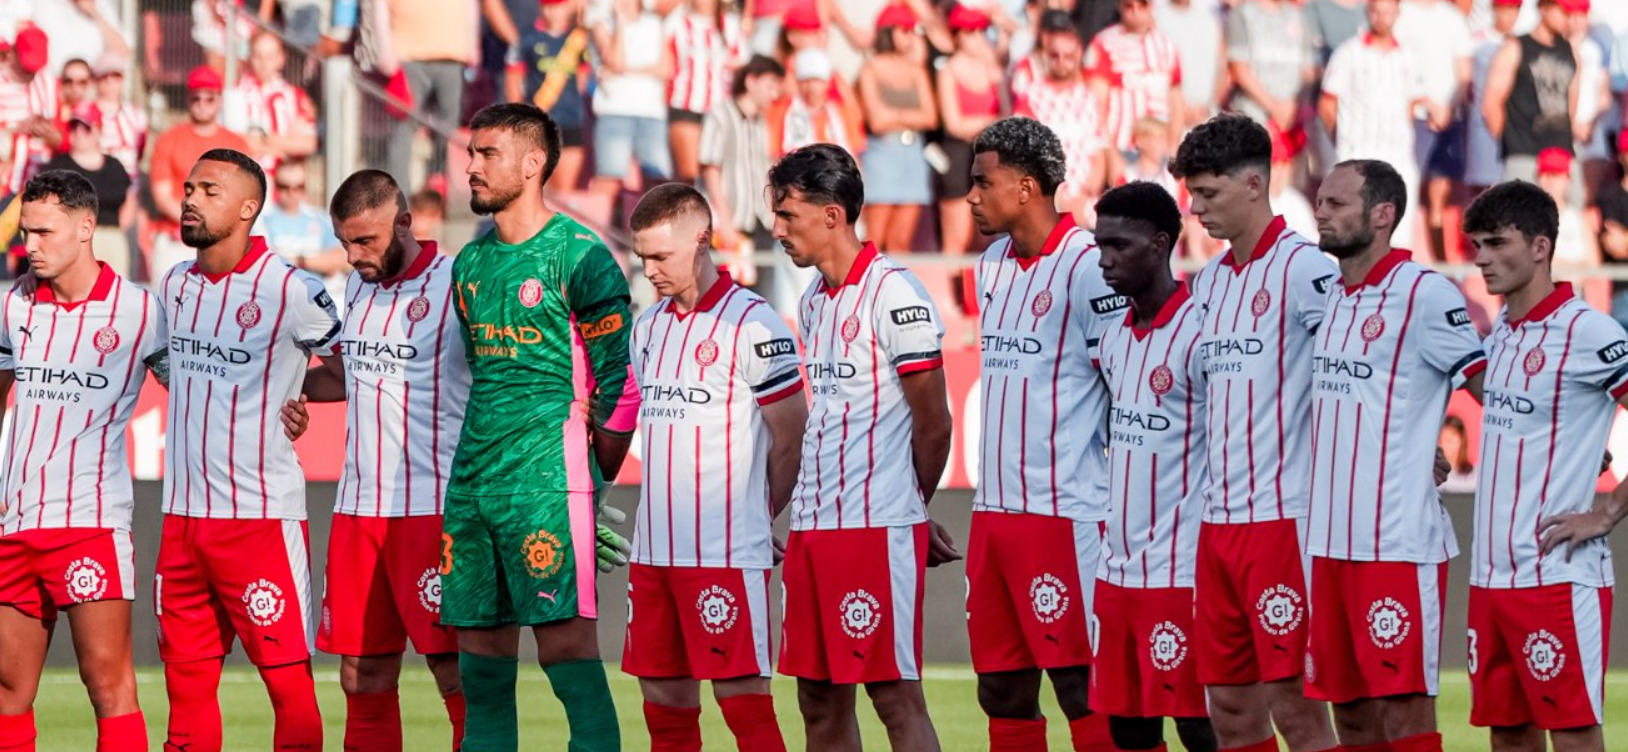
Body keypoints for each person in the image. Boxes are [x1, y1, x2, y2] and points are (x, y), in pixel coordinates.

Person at [445, 102, 637, 752]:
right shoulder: (469, 264)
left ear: (532, 164)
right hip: (473, 486)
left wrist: (594, 484)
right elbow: (482, 373)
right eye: (471, 154)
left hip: (547, 484)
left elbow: (621, 386)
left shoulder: (581, 256)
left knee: (566, 653)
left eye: (487, 154)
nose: (472, 167)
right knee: (479, 671)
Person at [153, 148, 340, 752]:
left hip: (258, 519)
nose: (190, 199)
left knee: (287, 685)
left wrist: (297, 392)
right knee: (185, 689)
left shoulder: (291, 288)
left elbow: (351, 369)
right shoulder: (174, 283)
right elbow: (166, 363)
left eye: (209, 191)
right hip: (182, 520)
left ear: (247, 208)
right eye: (189, 188)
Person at [771, 142, 955, 752]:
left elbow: (935, 423)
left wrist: (908, 507)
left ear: (831, 215)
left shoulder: (894, 293)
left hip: (874, 532)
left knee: (894, 697)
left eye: (788, 215)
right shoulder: (813, 300)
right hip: (813, 530)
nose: (777, 230)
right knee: (817, 699)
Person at [1304, 159, 1489, 752]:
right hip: (1326, 544)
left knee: (1404, 715)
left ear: (1382, 214)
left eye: (1336, 204)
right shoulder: (1328, 297)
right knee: (1351, 716)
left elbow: (1489, 389)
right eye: (1320, 202)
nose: (1321, 213)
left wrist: (1567, 438)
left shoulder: (1425, 294)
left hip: (1394, 544)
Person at [1171, 113, 1340, 752]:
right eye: (1191, 193)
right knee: (1230, 711)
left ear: (1253, 183)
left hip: (1283, 521)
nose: (1195, 208)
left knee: (1295, 708)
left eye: (1207, 193)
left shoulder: (1307, 270)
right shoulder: (1210, 282)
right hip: (1215, 526)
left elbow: (1355, 369)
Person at [961, 115, 1124, 752]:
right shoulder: (991, 265)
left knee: (1081, 686)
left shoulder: (1090, 267)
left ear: (1026, 187)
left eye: (983, 182)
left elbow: (1124, 385)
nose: (971, 196)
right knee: (1000, 689)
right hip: (994, 515)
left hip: (1066, 516)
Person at [291, 169, 468, 752]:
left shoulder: (457, 284)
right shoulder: (358, 286)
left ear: (405, 222)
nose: (353, 256)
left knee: (454, 671)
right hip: (358, 511)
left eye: (365, 241)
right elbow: (347, 376)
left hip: (432, 510)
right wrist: (284, 389)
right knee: (361, 673)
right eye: (344, 243)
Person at [622, 183, 803, 752]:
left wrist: (757, 514)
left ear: (701, 241)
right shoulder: (647, 328)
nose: (649, 271)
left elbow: (792, 437)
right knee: (664, 713)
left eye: (661, 256)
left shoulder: (754, 323)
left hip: (724, 555)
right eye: (642, 258)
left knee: (745, 709)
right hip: (653, 555)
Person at [0, 170, 166, 752]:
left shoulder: (142, 312)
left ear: (86, 228)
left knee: (108, 686)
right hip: (14, 524)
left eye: (44, 232)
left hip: (90, 524)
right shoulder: (13, 305)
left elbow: (196, 393)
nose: (30, 245)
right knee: (8, 692)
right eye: (26, 232)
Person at [1464, 178, 1628, 752]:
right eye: (1477, 245)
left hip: (1556, 576)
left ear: (1540, 247)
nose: (1481, 258)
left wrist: (1608, 511)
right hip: (1490, 578)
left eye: (1496, 243)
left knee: (1575, 737)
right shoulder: (1502, 332)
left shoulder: (1589, 331)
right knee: (1509, 737)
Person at [1090, 180, 1220, 752]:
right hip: (1116, 570)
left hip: (1182, 569)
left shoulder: (1203, 330)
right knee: (1127, 727)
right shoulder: (1112, 338)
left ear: (1161, 244)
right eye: (1100, 245)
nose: (1105, 259)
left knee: (1199, 724)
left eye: (1119, 245)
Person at [1317, 0, 1431, 251]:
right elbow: (1327, 105)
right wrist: (1342, 141)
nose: (1381, 17)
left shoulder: (1407, 56)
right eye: (1376, 11)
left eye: (1387, 11)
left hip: (1398, 159)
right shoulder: (1349, 52)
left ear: (1398, 12)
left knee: (1397, 240)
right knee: (1353, 236)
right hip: (1358, 158)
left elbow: (1413, 103)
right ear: (1368, 12)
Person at [145, 65, 250, 279]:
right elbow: (162, 196)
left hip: (221, 242)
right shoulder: (168, 139)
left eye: (209, 99)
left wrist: (214, 228)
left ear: (219, 100)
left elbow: (243, 195)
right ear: (188, 99)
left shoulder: (237, 144)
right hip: (177, 239)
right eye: (196, 98)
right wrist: (199, 223)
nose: (202, 104)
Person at [1394, 0, 1474, 259]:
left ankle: (1441, 262)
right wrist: (1426, 104)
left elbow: (1464, 74)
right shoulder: (1402, 14)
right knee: (1406, 185)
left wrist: (1449, 109)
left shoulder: (1453, 18)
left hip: (1449, 118)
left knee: (1441, 191)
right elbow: (1396, 67)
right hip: (1413, 117)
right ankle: (1401, 255)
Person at [1015, 11, 1109, 221]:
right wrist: (1057, 199)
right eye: (1055, 55)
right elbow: (1025, 157)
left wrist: (1084, 196)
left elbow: (1098, 154)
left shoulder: (1088, 97)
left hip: (1085, 202)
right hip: (1047, 201)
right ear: (1046, 55)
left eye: (1068, 56)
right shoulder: (1032, 96)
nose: (1061, 61)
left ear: (1078, 55)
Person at [857, 3, 936, 253]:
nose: (910, 37)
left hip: (912, 153)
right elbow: (876, 121)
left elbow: (931, 117)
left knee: (901, 241)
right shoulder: (870, 69)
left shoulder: (915, 70)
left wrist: (893, 115)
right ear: (888, 32)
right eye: (905, 30)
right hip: (882, 154)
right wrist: (910, 116)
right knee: (874, 240)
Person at [699, 54, 784, 285]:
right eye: (770, 85)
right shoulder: (720, 115)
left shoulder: (761, 122)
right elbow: (710, 167)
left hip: (760, 222)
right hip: (730, 224)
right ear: (750, 81)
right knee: (728, 293)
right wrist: (725, 219)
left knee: (761, 295)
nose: (774, 94)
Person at [381, 0, 478, 193]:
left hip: (452, 56)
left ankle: (438, 192)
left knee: (447, 131)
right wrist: (385, 49)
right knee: (403, 128)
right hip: (408, 57)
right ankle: (399, 196)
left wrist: (472, 44)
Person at [1482, 0, 1583, 186]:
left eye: (1571, 13)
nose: (1568, 18)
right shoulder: (1515, 48)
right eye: (1563, 11)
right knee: (1523, 204)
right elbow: (1491, 104)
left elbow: (1571, 106)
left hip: (1562, 153)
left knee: (1573, 203)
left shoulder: (1571, 53)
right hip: (1524, 155)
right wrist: (1512, 143)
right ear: (1544, 8)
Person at [934, 3, 1002, 258]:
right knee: (957, 235)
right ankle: (953, 284)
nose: (977, 38)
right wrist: (990, 121)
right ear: (958, 35)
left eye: (981, 31)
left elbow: (1007, 113)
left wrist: (995, 69)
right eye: (970, 31)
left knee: (984, 234)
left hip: (987, 152)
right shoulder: (948, 70)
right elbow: (954, 124)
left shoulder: (991, 70)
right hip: (959, 154)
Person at [589, 0, 673, 202]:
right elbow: (615, 61)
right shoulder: (601, 24)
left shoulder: (655, 24)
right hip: (614, 111)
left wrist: (625, 71)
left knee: (657, 180)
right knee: (609, 178)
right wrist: (620, 22)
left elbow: (666, 69)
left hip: (652, 113)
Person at [504, 0, 591, 193]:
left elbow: (582, 81)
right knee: (539, 188)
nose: (552, 12)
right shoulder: (526, 38)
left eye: (558, 6)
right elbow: (513, 81)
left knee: (564, 191)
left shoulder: (577, 40)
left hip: (571, 121)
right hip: (540, 123)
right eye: (547, 6)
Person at [42, 104, 132, 278]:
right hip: (75, 240)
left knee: (116, 290)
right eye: (74, 127)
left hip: (112, 237)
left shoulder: (114, 167)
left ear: (98, 130)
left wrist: (116, 231)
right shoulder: (58, 167)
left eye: (86, 128)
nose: (79, 133)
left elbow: (129, 201)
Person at [1085, 0, 1185, 154]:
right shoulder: (1104, 43)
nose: (1135, 11)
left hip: (1160, 151)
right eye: (1129, 6)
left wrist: (1173, 146)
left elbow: (1176, 102)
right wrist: (1109, 154)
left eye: (1142, 5)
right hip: (1122, 147)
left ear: (1151, 6)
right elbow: (1097, 105)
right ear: (1120, 6)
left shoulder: (1167, 45)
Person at [665, 0, 739, 183]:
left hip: (720, 109)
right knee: (690, 176)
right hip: (685, 105)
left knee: (717, 175)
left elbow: (741, 63)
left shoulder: (731, 24)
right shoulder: (677, 21)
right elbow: (666, 64)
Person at [224, 31, 318, 173]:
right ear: (250, 57)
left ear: (281, 58)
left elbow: (309, 144)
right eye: (258, 56)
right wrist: (285, 147)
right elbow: (237, 142)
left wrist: (265, 139)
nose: (264, 63)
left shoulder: (295, 95)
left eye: (270, 57)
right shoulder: (235, 93)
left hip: (285, 179)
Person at [1225, 0, 1316, 145]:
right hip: (1252, 121)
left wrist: (1295, 107)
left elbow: (1308, 71)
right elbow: (1239, 70)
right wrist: (1275, 107)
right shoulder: (1242, 14)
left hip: (1291, 123)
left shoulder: (1297, 16)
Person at [253, 160, 348, 297]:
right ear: (276, 186)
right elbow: (267, 265)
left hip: (317, 295)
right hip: (278, 295)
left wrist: (300, 261)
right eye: (284, 186)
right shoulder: (262, 220)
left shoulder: (318, 218)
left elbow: (340, 259)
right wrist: (318, 261)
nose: (291, 193)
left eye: (298, 187)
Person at [1466, 0, 1524, 196]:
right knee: (1483, 193)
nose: (1509, 16)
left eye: (1514, 10)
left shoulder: (1521, 43)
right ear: (1494, 9)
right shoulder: (1477, 41)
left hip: (1512, 128)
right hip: (1482, 127)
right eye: (1504, 9)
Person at [766, 48, 865, 159]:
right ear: (797, 82)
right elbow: (773, 154)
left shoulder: (842, 112)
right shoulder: (780, 111)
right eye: (805, 80)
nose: (811, 86)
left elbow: (855, 154)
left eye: (816, 80)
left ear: (827, 83)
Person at [90, 53, 146, 179]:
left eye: (116, 76)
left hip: (128, 182)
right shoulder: (86, 114)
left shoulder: (136, 115)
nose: (110, 81)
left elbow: (140, 150)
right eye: (104, 76)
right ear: (95, 80)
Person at [1437, 415, 1476, 494]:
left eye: (1448, 440)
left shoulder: (1474, 476)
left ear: (1461, 440)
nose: (1443, 445)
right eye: (1440, 440)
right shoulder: (1432, 476)